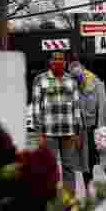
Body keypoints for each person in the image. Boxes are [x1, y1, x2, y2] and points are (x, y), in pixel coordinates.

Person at [31, 51, 83, 197]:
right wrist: (39, 133)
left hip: (69, 132)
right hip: (48, 133)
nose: (58, 62)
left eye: (61, 60)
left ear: (65, 63)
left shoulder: (71, 80)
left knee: (69, 167)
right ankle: (50, 198)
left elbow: (76, 107)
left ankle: (69, 199)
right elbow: (36, 108)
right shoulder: (40, 80)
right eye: (55, 60)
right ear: (50, 63)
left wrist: (78, 132)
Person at [67, 54, 106, 190]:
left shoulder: (96, 83)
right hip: (83, 132)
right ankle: (89, 193)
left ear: (83, 69)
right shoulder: (72, 87)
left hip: (99, 129)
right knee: (86, 167)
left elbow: (104, 108)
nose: (78, 79)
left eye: (79, 75)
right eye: (74, 76)